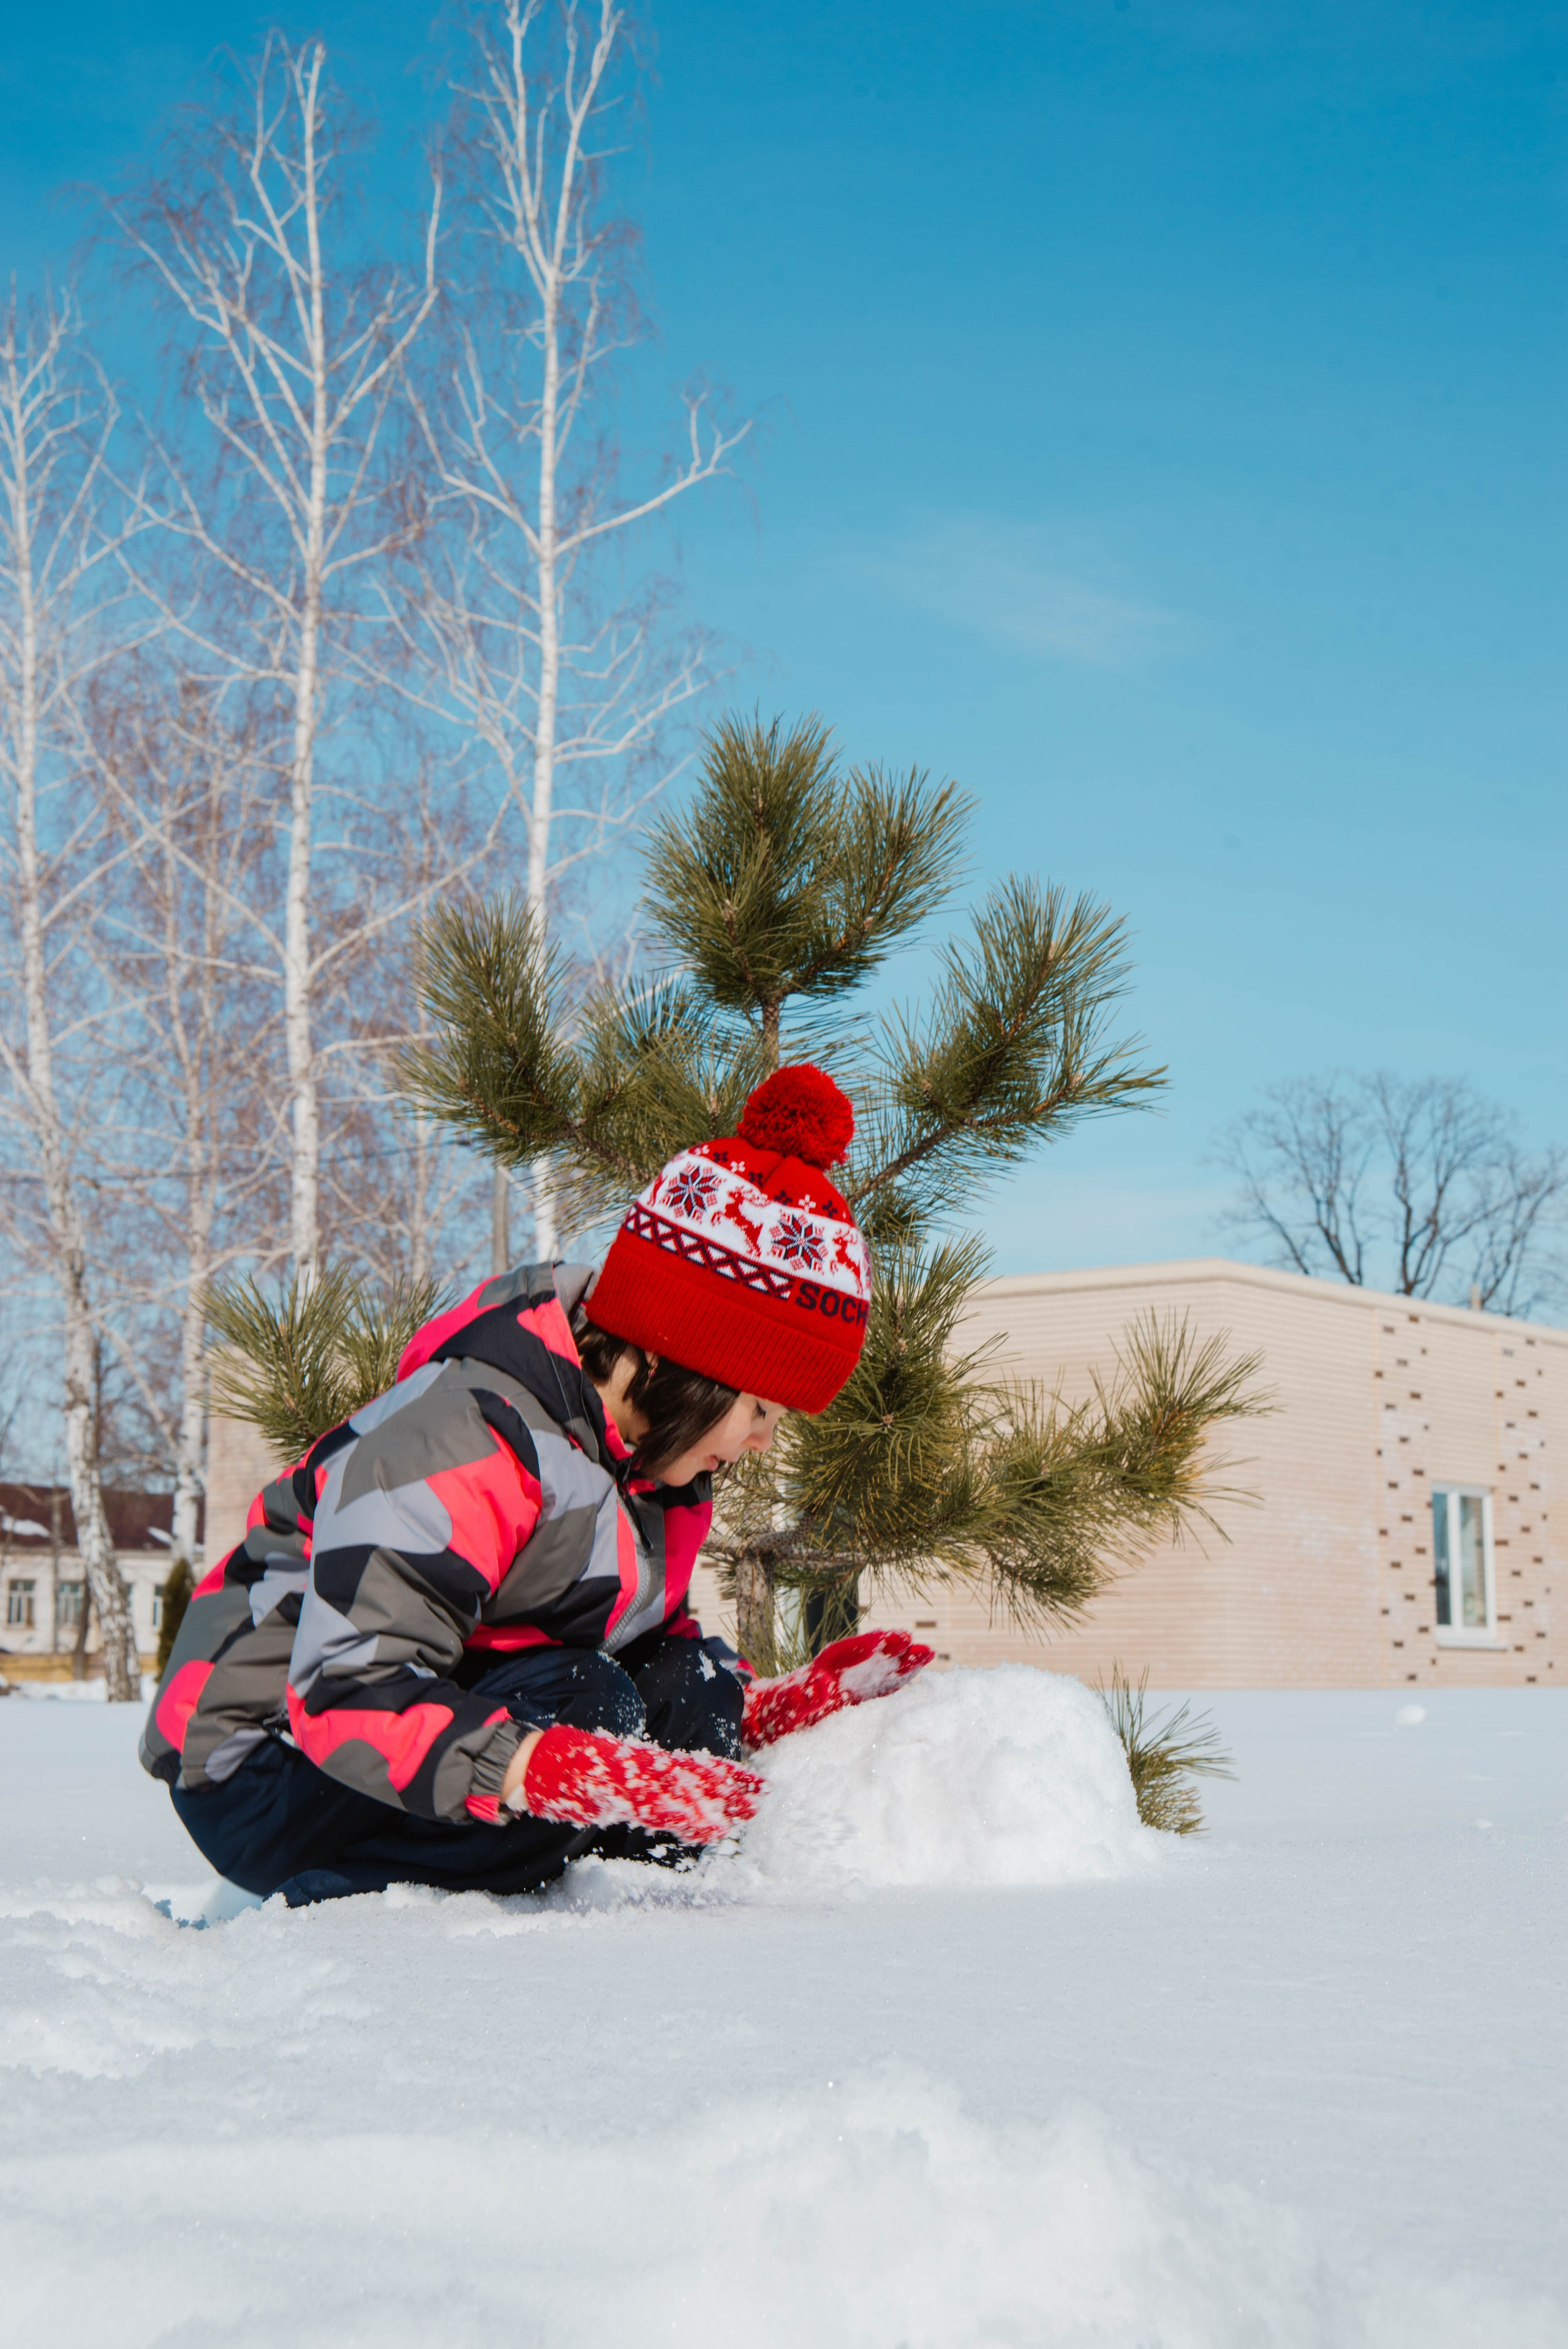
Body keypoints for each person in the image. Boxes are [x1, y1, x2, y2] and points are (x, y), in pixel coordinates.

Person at [140, 1065, 932, 1905]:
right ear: (675, 1360)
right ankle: (362, 1919)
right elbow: (349, 1690)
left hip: (428, 1722)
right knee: (584, 1701)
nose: (764, 1443)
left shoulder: (652, 1474)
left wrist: (761, 1710)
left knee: (675, 1679)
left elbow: (649, 1660)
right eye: (761, 1408)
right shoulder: (465, 1437)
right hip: (269, 1757)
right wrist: (550, 1765)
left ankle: (643, 1930)